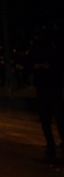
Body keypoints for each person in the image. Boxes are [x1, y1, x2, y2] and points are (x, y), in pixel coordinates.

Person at [28, 31, 64, 162]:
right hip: (52, 87)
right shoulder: (55, 47)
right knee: (57, 117)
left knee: (48, 119)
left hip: (46, 87)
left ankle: (51, 144)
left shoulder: (40, 48)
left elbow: (30, 64)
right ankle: (54, 143)